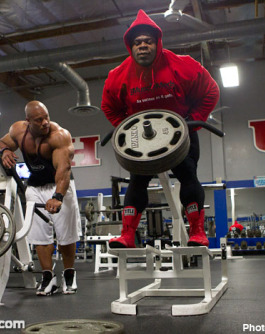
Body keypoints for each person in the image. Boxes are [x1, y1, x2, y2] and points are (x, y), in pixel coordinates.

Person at [101, 9, 220, 248]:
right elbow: (108, 106)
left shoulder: (182, 66)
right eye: (137, 42)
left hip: (180, 133)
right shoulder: (118, 76)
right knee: (137, 181)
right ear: (130, 46)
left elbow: (211, 91)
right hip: (143, 139)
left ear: (157, 43)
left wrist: (192, 121)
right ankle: (127, 235)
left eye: (148, 41)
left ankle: (197, 232)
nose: (142, 46)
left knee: (188, 174)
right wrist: (128, 129)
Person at [0, 100, 81, 296]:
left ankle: (69, 274)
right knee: (39, 235)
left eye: (46, 117)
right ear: (28, 121)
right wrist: (5, 151)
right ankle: (48, 277)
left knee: (66, 234)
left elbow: (63, 170)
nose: (45, 122)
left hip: (60, 183)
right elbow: (0, 143)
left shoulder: (59, 136)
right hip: (34, 185)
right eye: (39, 120)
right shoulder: (18, 130)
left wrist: (58, 197)